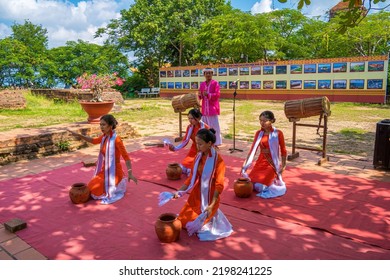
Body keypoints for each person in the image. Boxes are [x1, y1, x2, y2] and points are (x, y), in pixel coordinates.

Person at [173, 128, 233, 241]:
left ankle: (209, 217)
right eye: (196, 143)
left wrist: (212, 204)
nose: (197, 146)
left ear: (209, 143)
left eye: (200, 144)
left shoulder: (219, 162)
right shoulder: (198, 156)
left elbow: (219, 185)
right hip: (198, 192)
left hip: (210, 196)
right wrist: (179, 191)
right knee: (183, 221)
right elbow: (192, 178)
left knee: (198, 227)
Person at [68, 114, 138, 204]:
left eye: (103, 125)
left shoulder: (117, 140)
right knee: (91, 187)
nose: (101, 127)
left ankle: (116, 184)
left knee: (96, 190)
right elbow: (93, 141)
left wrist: (130, 173)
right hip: (104, 170)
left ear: (110, 126)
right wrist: (79, 135)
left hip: (115, 172)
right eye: (100, 124)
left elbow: (126, 158)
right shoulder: (104, 137)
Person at [240, 110, 287, 198]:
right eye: (260, 120)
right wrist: (245, 163)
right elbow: (252, 150)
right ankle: (268, 182)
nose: (262, 123)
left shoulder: (278, 133)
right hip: (260, 162)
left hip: (272, 164)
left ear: (272, 121)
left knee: (260, 187)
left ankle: (271, 181)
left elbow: (283, 150)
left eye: (265, 121)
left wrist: (284, 165)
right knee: (251, 183)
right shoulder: (259, 133)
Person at [167, 108, 209, 176]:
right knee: (184, 167)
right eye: (189, 118)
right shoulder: (190, 127)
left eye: (192, 118)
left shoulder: (205, 128)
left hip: (204, 151)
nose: (190, 120)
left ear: (198, 118)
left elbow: (210, 143)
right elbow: (185, 141)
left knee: (193, 170)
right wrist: (174, 148)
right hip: (194, 149)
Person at [198, 68, 222, 146]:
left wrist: (208, 95)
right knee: (205, 127)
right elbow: (200, 96)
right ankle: (205, 142)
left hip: (212, 108)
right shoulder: (202, 85)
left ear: (212, 74)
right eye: (206, 73)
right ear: (204, 74)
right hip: (204, 109)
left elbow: (217, 95)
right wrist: (199, 95)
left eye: (209, 73)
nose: (208, 75)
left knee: (214, 127)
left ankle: (216, 142)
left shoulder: (215, 83)